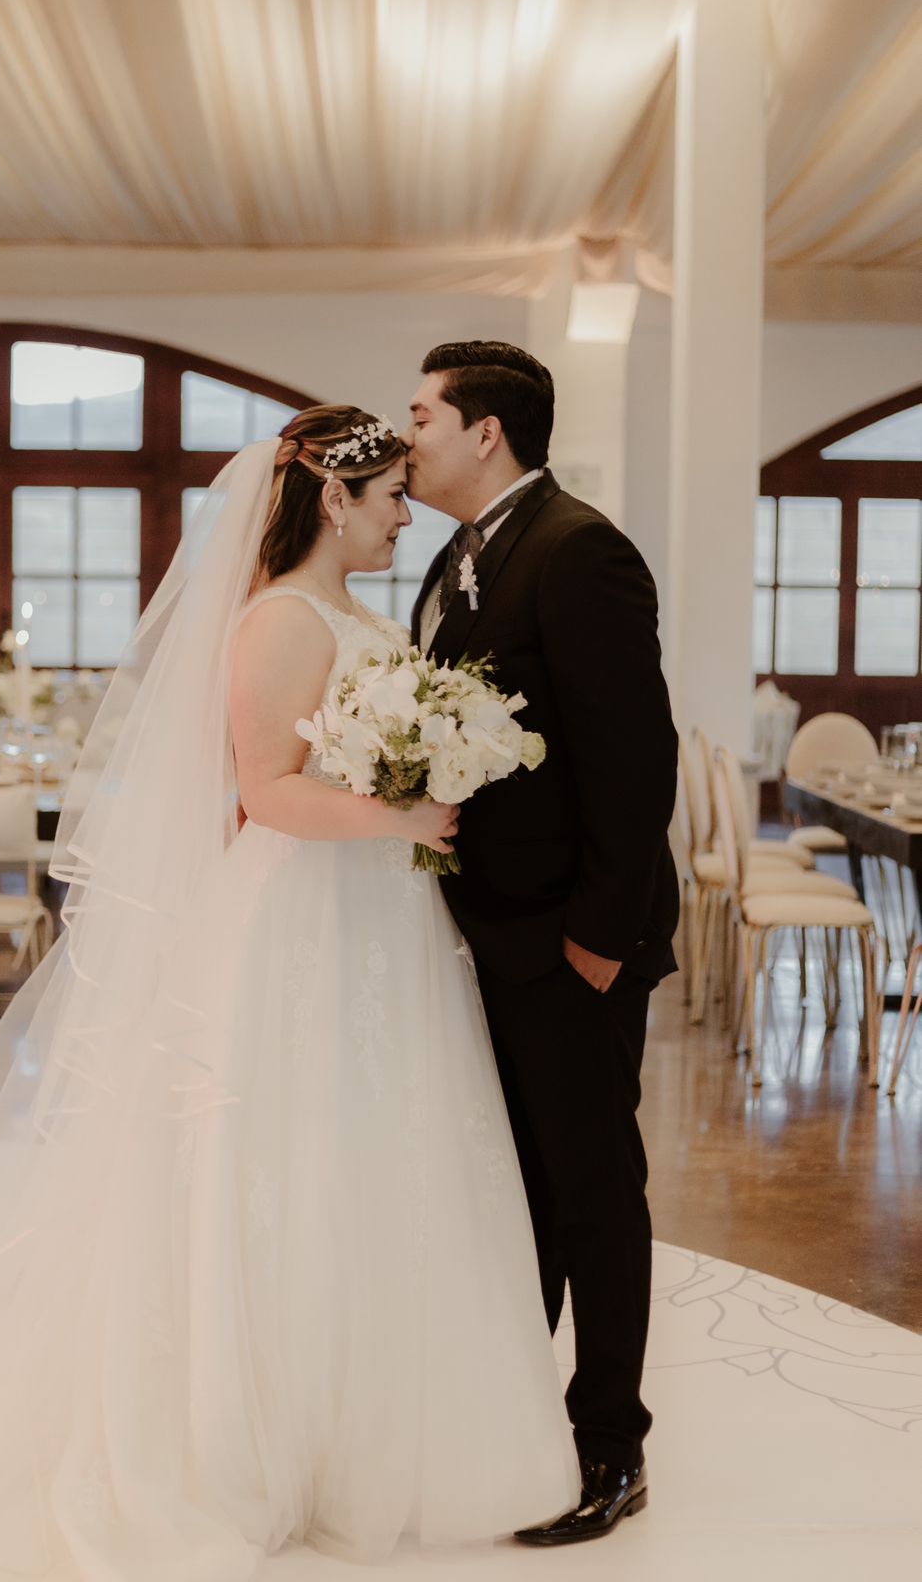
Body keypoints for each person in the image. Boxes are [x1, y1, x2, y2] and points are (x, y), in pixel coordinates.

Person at [0, 405, 576, 1580]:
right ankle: (257, 1438)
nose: (405, 513)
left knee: (378, 1154)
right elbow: (267, 790)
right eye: (388, 494)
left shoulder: (355, 613)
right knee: (285, 1155)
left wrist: (426, 785)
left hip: (380, 918)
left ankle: (372, 1428)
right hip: (299, 917)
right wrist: (399, 811)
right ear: (331, 502)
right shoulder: (280, 622)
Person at [406, 341, 679, 1545]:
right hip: (488, 934)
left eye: (421, 413)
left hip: (570, 941)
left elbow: (635, 760)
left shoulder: (579, 551)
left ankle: (610, 1445)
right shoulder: (452, 560)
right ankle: (520, 1420)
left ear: (486, 433)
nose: (404, 435)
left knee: (589, 1190)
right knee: (513, 1191)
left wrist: (599, 941)